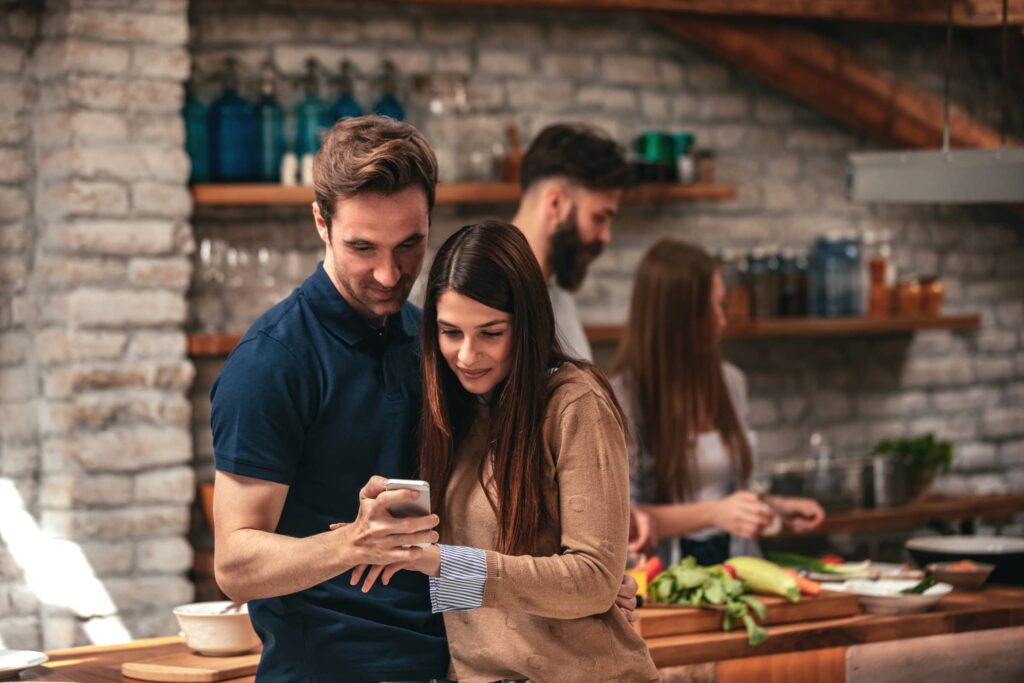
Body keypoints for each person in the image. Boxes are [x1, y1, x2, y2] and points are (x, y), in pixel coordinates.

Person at [209, 116, 636, 682]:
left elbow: (486, 508)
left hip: (455, 666)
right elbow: (235, 565)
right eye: (363, 247)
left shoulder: (439, 343)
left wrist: (590, 582)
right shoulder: (272, 362)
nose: (389, 273)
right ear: (321, 223)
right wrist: (353, 546)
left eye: (410, 244)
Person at [358, 221, 660, 683]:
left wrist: (449, 565)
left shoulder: (574, 403)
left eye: (491, 333)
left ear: (528, 325)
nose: (466, 355)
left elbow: (593, 579)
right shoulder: (456, 412)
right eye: (450, 332)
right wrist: (386, 525)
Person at [610, 239, 825, 567]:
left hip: (738, 568)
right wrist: (715, 514)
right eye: (706, 312)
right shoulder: (624, 398)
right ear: (673, 319)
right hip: (663, 578)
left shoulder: (731, 382)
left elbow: (726, 492)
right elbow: (622, 520)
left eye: (721, 306)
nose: (720, 321)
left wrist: (773, 506)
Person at [510, 123, 631, 363]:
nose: (606, 236)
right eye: (599, 217)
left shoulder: (557, 295)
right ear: (556, 203)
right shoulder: (486, 298)